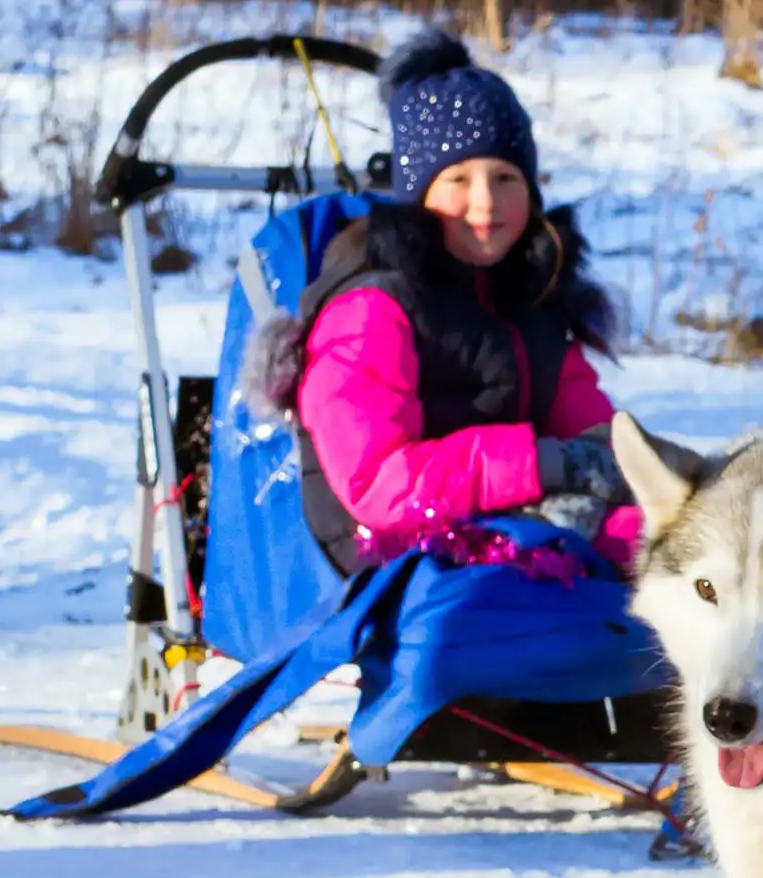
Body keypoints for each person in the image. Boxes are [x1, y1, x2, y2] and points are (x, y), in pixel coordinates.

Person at [271, 29, 638, 570]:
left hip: (501, 525)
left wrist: (652, 474)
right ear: (418, 195)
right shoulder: (371, 310)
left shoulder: (528, 295)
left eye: (506, 177)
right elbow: (378, 483)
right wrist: (542, 464)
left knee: (663, 550)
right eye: (459, 179)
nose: (486, 203)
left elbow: (595, 434)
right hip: (387, 558)